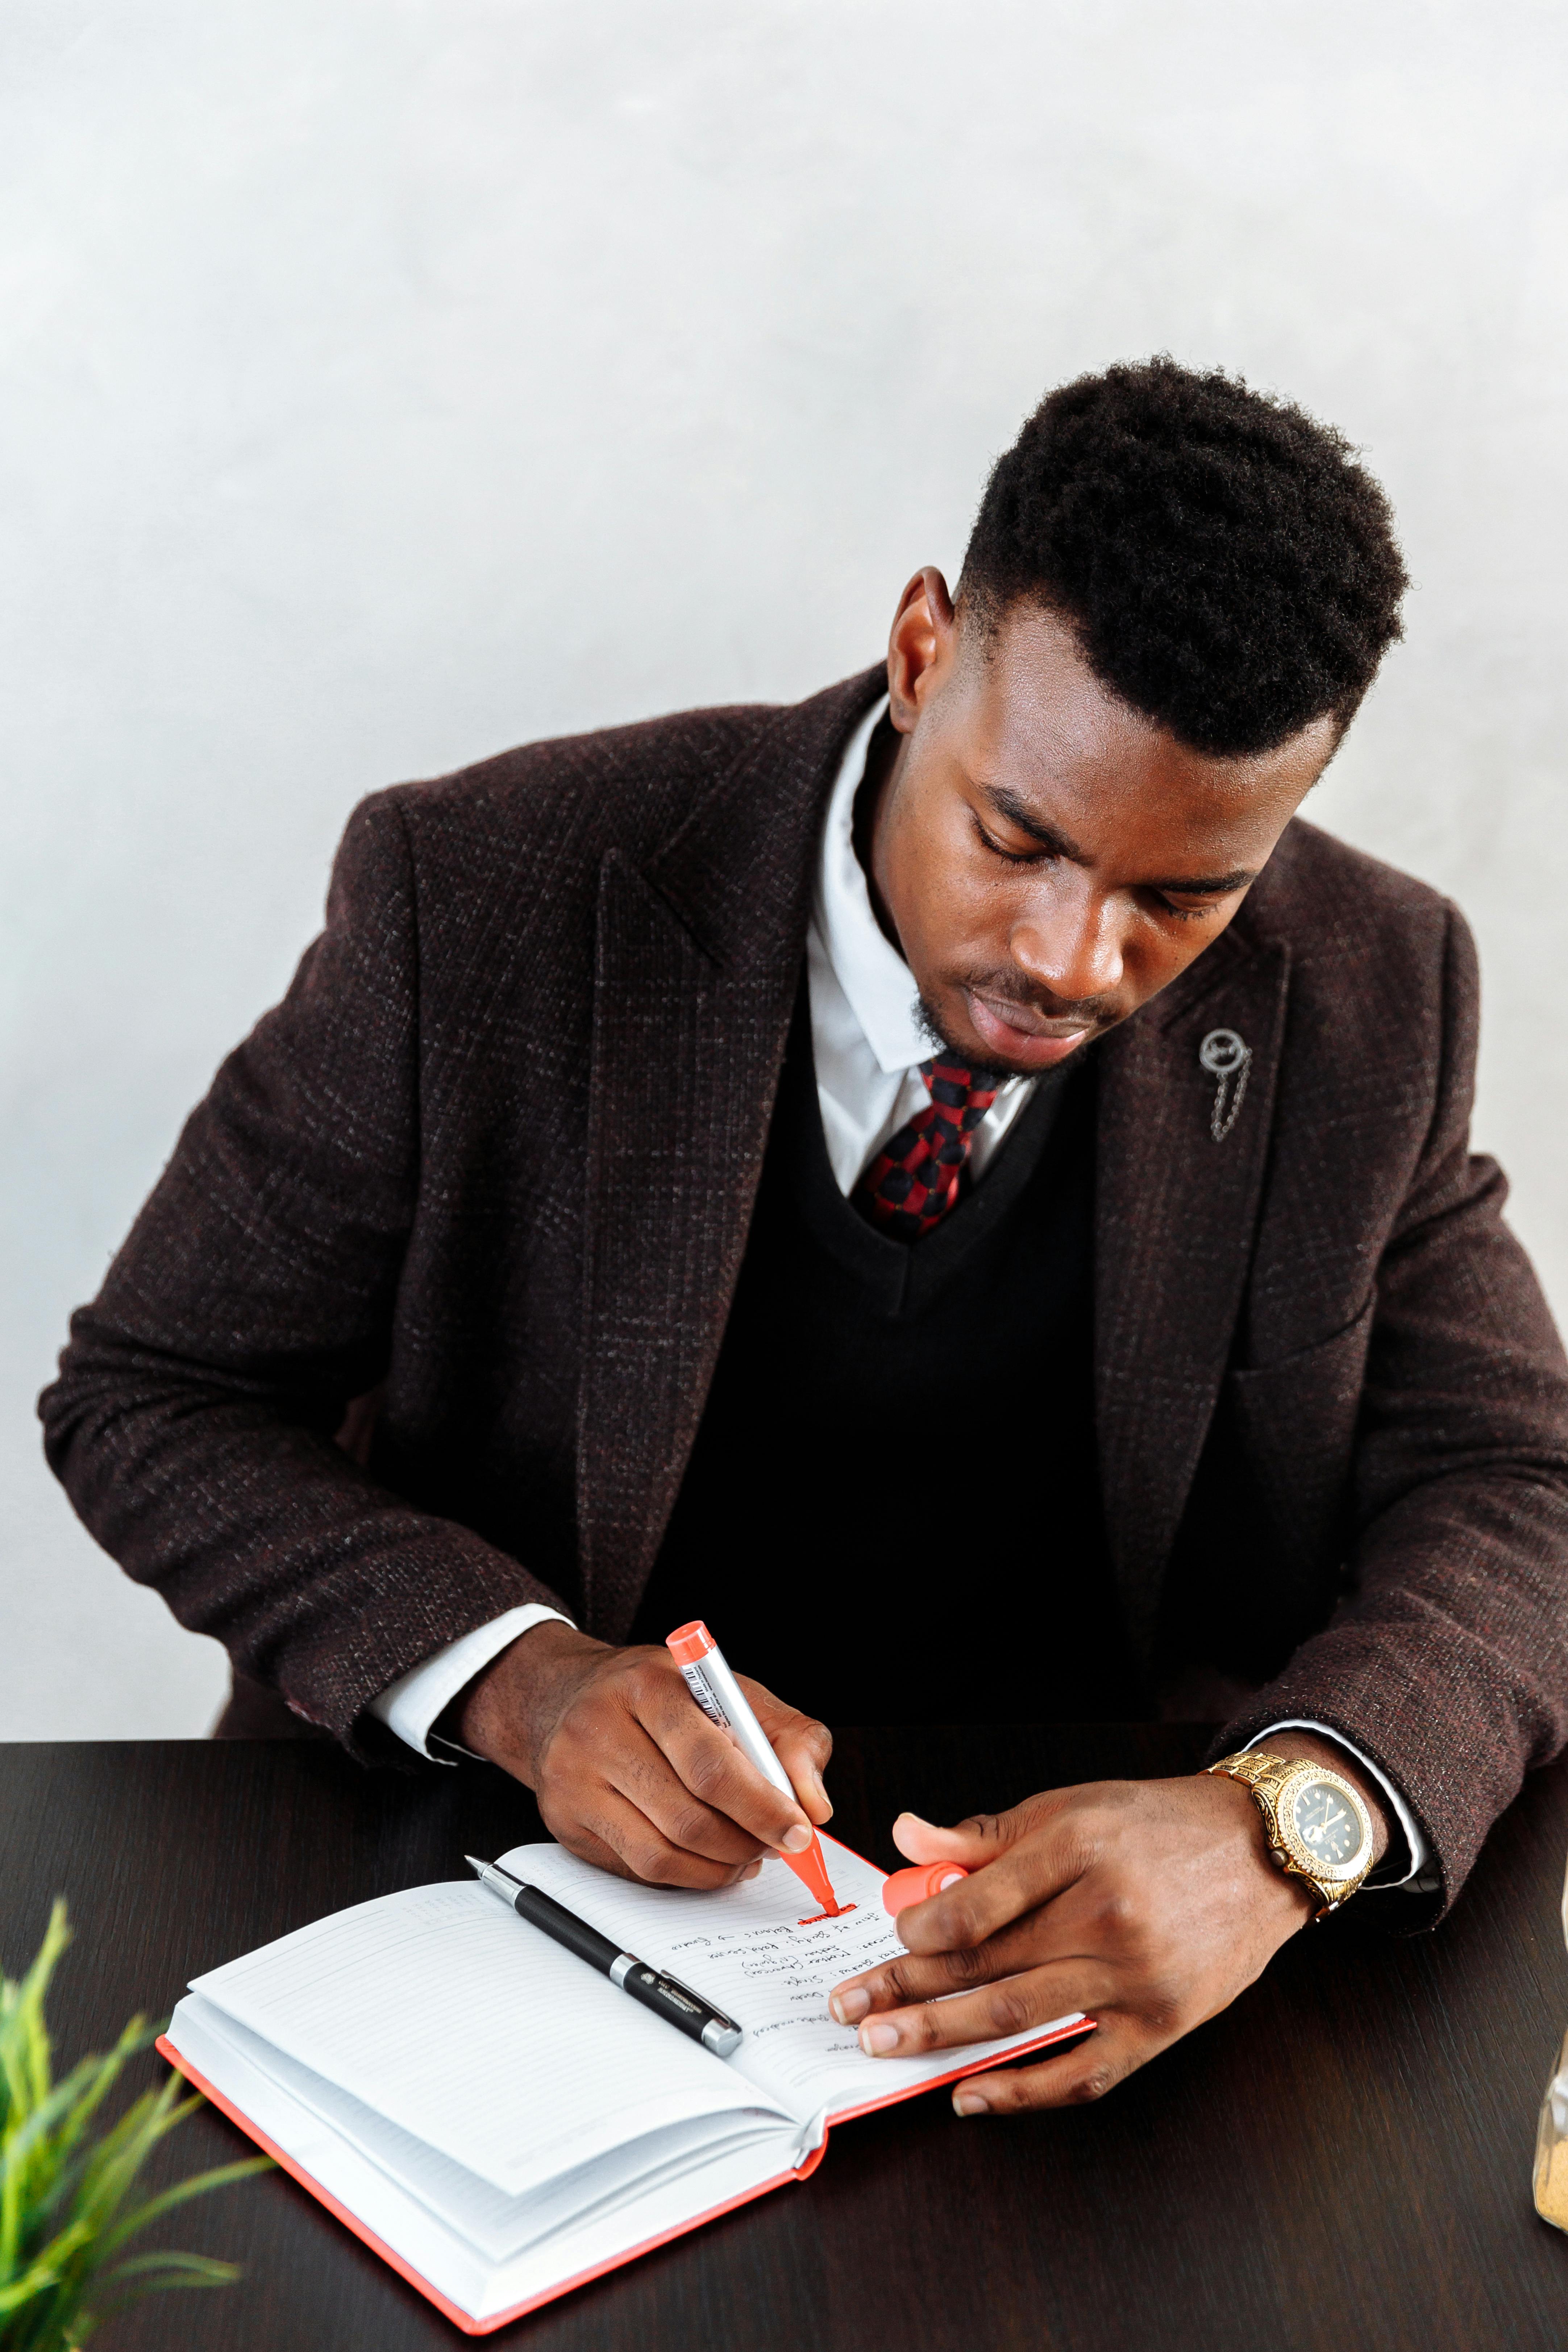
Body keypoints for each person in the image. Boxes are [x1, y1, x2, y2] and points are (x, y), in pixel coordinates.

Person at [41, 358, 1568, 2114]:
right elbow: (151, 1394)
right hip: (482, 1910)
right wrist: (519, 1685)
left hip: (1109, 1992)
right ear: (922, 649)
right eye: (1018, 838)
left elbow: (1522, 1489)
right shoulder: (480, 895)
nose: (1074, 962)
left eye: (1180, 896)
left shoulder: (1373, 986)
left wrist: (1279, 1821)